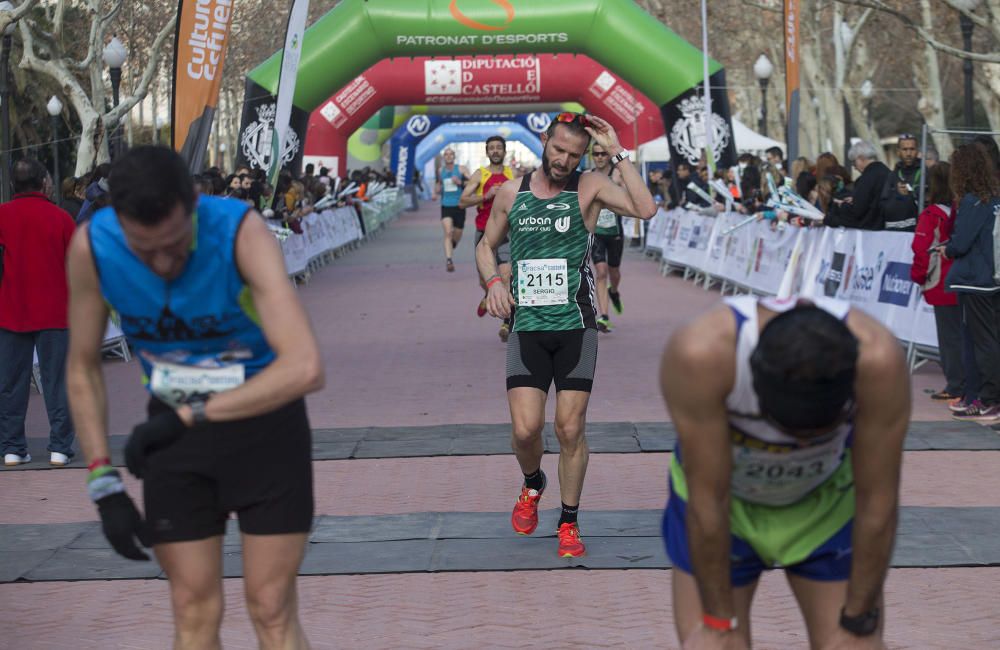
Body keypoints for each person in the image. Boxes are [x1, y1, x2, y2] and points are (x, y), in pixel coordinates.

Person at [65, 146, 324, 648]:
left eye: (177, 245)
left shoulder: (239, 230)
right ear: (117, 223)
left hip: (265, 426)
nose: (163, 262)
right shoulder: (92, 247)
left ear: (195, 204)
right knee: (193, 609)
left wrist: (190, 417)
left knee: (270, 609)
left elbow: (305, 366)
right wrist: (102, 481)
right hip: (175, 434)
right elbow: (81, 367)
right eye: (146, 250)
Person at [660, 296, 909, 649]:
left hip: (825, 504)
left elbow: (878, 501)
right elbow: (708, 501)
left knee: (856, 644)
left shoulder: (878, 360)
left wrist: (859, 619)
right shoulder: (703, 354)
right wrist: (718, 622)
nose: (797, 446)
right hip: (726, 507)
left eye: (818, 434)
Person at [476, 112, 657, 557]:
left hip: (577, 327)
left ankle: (570, 520)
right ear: (544, 141)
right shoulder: (510, 192)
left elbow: (645, 208)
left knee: (570, 427)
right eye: (558, 150)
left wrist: (617, 151)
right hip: (526, 329)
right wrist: (494, 284)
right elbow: (485, 246)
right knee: (526, 430)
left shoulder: (590, 186)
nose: (563, 161)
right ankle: (533, 481)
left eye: (574, 155)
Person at [0, 159, 77, 466]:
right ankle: (59, 446)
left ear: (11, 185)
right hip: (56, 312)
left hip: (10, 311)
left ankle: (12, 447)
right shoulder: (61, 219)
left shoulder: (2, 216)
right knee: (57, 380)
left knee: (11, 383)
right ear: (44, 182)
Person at [937, 143, 1000, 422]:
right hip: (992, 278)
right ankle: (982, 398)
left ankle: (989, 399)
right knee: (988, 340)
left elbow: (961, 243)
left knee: (982, 342)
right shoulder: (993, 199)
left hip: (976, 281)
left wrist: (947, 249)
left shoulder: (974, 201)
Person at [910, 162, 966, 403]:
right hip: (963, 279)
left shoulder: (931, 215)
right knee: (967, 336)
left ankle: (956, 385)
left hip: (941, 282)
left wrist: (918, 276)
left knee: (949, 338)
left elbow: (921, 250)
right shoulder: (962, 209)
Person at [460, 135, 516, 341]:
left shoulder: (513, 174)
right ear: (486, 152)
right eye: (491, 148)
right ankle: (486, 294)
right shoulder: (479, 175)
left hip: (506, 232)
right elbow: (462, 201)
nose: (495, 151)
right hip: (483, 233)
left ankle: (506, 322)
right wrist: (486, 195)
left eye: (498, 148)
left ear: (504, 151)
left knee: (505, 275)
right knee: (485, 280)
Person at [588, 142, 627, 332]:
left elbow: (629, 191)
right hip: (596, 234)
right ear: (592, 156)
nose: (600, 157)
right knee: (601, 272)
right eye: (596, 154)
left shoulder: (617, 174)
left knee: (614, 272)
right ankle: (603, 316)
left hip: (615, 232)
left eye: (603, 154)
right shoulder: (588, 176)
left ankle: (614, 291)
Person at [825, 141, 890, 230]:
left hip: (870, 231)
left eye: (854, 162)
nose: (854, 167)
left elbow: (858, 211)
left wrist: (842, 205)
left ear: (861, 158)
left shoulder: (866, 178)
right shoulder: (887, 172)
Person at [432, 148, 470, 272]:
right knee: (448, 232)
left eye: (450, 154)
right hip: (446, 206)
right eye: (446, 154)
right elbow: (438, 184)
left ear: (454, 156)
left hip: (459, 206)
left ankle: (452, 244)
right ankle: (449, 259)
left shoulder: (461, 169)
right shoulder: (440, 171)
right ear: (444, 157)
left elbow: (471, 184)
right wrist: (435, 191)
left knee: (457, 233)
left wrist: (460, 182)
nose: (448, 156)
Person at [880, 135, 922, 232]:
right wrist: (897, 195)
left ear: (917, 151)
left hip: (917, 231)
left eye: (912, 149)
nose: (908, 153)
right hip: (894, 231)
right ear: (898, 152)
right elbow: (883, 204)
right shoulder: (892, 175)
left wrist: (910, 195)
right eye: (905, 149)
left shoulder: (926, 172)